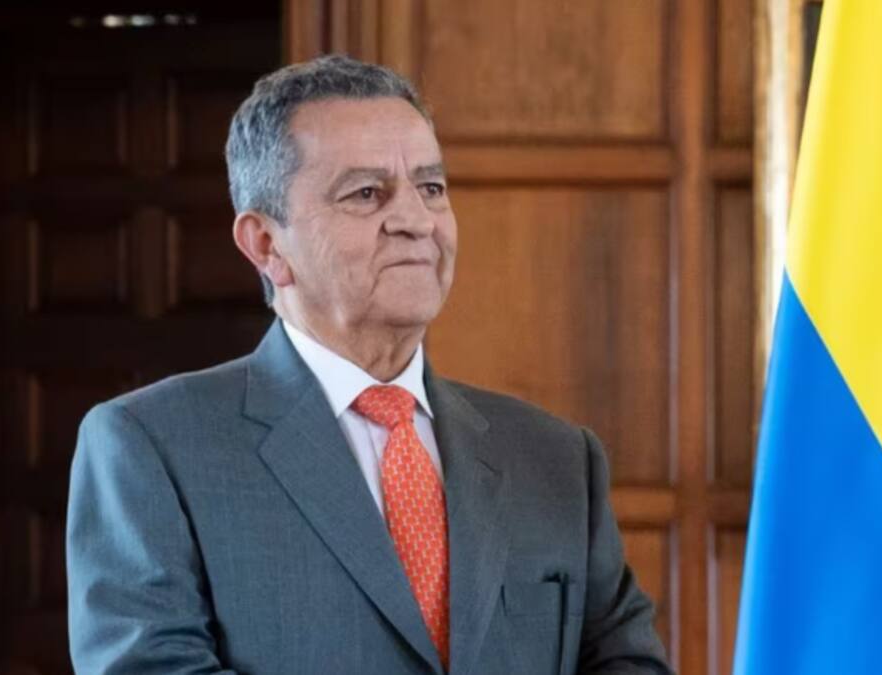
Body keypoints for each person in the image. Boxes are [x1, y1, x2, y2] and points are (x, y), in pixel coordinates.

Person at [66, 54, 672, 675]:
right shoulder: (153, 447)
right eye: (365, 193)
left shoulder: (557, 457)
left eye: (431, 188)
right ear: (266, 245)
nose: (416, 221)